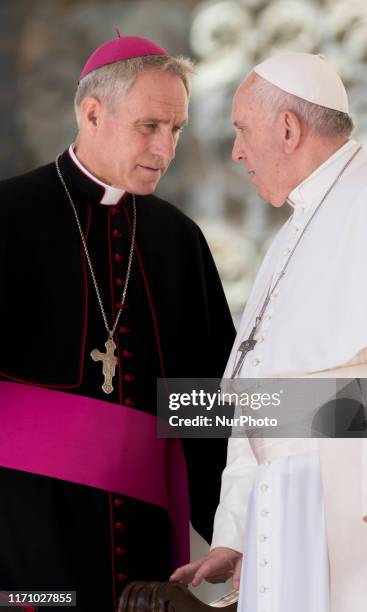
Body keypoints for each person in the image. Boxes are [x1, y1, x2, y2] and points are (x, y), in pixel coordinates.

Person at [0, 34, 235, 611]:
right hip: (26, 540)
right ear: (92, 112)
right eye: (150, 126)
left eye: (176, 129)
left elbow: (210, 400)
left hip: (147, 553)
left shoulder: (176, 239)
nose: (167, 147)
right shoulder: (7, 217)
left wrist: (240, 524)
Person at [171, 52, 367, 611]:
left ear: (286, 128)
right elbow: (260, 392)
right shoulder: (289, 233)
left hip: (355, 511)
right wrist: (232, 528)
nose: (235, 151)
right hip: (283, 505)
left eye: (242, 131)